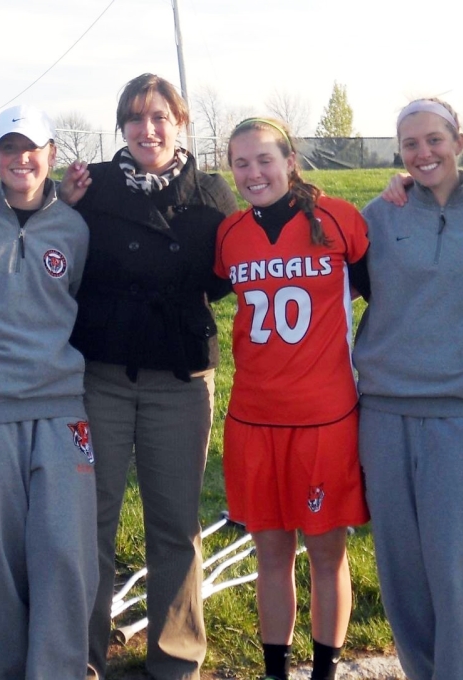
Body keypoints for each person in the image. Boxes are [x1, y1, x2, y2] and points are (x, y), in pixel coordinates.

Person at [60, 73, 237, 680]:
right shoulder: (91, 186)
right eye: (135, 117)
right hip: (102, 372)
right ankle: (81, 656)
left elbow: (227, 274)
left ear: (179, 123)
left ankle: (175, 657)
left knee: (175, 522)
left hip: (179, 376)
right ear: (121, 127)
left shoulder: (211, 193)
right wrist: (64, 202)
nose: (148, 128)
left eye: (160, 116)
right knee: (91, 519)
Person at [0, 104, 96, 679]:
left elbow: (72, 296)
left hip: (59, 406)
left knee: (64, 553)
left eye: (31, 148)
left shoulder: (73, 228)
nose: (20, 159)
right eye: (8, 148)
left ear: (51, 153)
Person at [215, 118, 371, 680]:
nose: (253, 173)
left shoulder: (339, 219)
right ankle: (275, 672)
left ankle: (325, 672)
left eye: (264, 160)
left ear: (290, 161)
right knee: (271, 556)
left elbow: (386, 296)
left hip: (325, 418)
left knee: (328, 555)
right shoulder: (230, 234)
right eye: (241, 163)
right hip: (253, 420)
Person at [352, 98, 463, 680]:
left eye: (434, 140)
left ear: (458, 142)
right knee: (402, 573)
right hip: (383, 412)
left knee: (453, 569)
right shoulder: (380, 214)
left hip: (455, 415)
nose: (424, 153)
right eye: (411, 144)